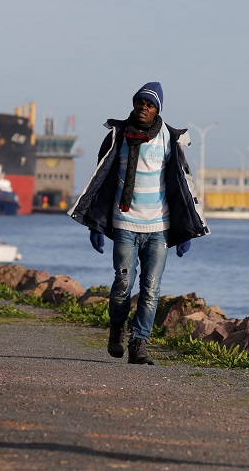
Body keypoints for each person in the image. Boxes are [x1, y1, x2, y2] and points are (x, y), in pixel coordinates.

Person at [68, 81, 210, 365]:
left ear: (157, 109)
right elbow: (101, 182)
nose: (143, 108)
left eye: (149, 104)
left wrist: (186, 233)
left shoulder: (169, 139)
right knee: (122, 283)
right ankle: (118, 328)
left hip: (158, 227)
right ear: (133, 105)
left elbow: (182, 186)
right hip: (124, 224)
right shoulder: (118, 136)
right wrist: (93, 225)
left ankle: (140, 344)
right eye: (139, 103)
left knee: (151, 289)